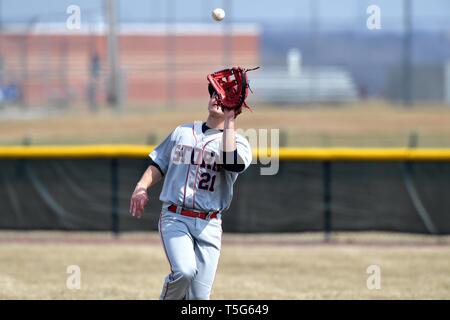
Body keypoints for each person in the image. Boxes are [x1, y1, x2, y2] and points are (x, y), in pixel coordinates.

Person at [129, 79, 252, 300]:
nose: (217, 98)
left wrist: (230, 119)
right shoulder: (183, 132)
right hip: (176, 217)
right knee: (185, 271)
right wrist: (141, 186)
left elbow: (231, 162)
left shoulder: (240, 144)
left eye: (223, 96)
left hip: (209, 224)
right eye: (214, 93)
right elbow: (159, 163)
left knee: (199, 300)